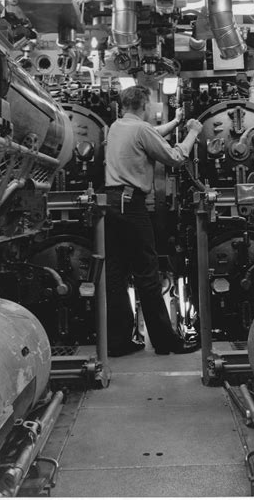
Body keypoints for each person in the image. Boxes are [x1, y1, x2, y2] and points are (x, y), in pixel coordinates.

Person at [104, 85, 203, 357]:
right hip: (131, 205)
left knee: (115, 274)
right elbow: (174, 159)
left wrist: (174, 123)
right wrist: (193, 131)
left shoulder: (116, 127)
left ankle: (118, 342)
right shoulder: (140, 130)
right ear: (143, 105)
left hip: (111, 204)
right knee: (147, 273)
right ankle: (166, 343)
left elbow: (149, 136)